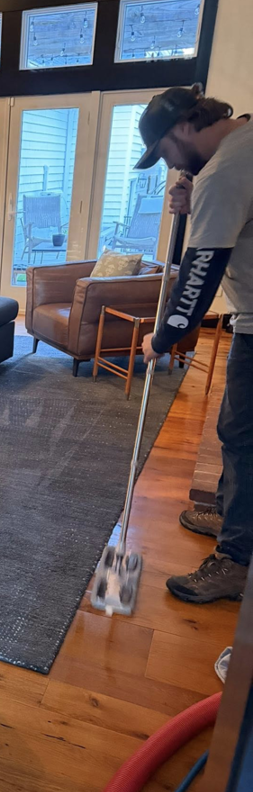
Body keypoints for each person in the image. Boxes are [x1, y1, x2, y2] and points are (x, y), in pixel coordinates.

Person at [137, 85, 253, 604]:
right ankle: (231, 517)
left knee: (244, 438)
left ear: (184, 126)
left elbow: (199, 277)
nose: (169, 165)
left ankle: (236, 560)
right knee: (237, 430)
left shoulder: (225, 171)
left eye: (164, 151)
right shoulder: (240, 146)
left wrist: (162, 337)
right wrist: (191, 206)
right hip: (248, 318)